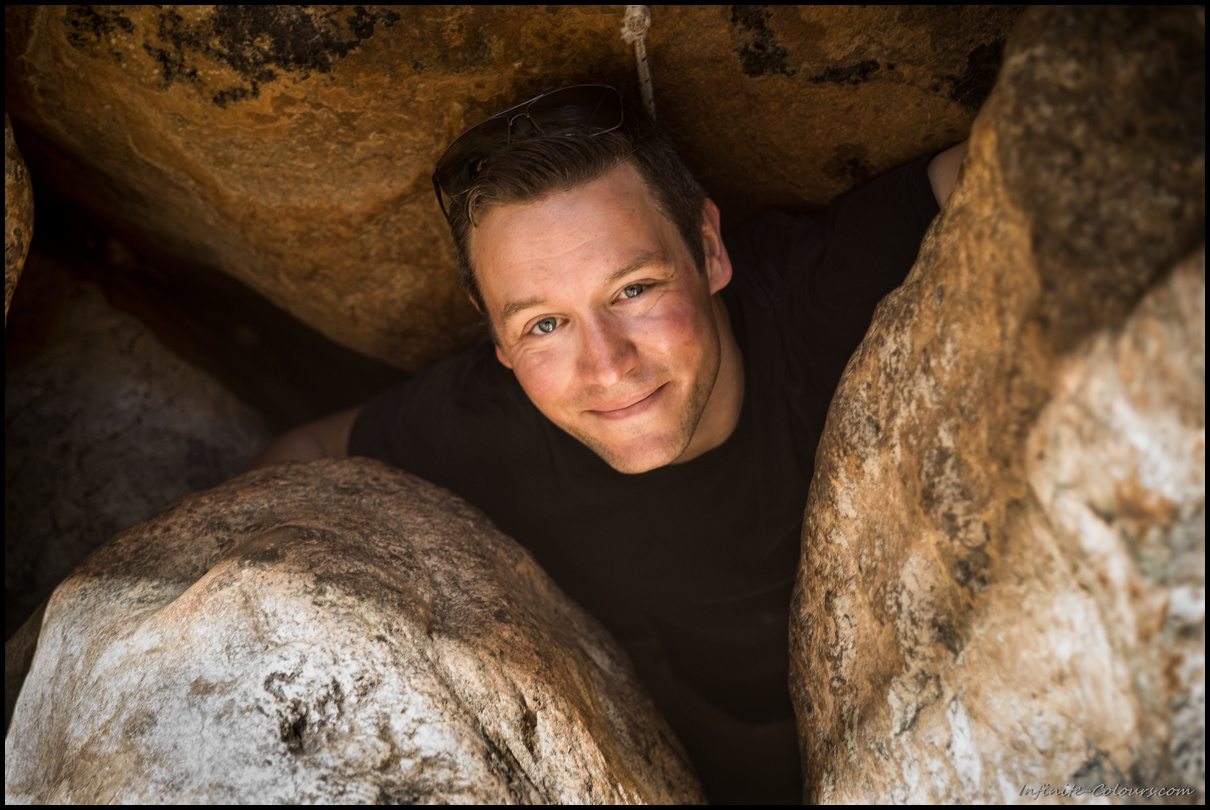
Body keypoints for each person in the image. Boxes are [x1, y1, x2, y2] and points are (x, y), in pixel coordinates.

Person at [253, 85, 967, 803]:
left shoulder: (818, 296)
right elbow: (305, 452)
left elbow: (1009, 155)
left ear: (710, 250)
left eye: (633, 290)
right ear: (496, 338)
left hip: (943, 675)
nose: (608, 367)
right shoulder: (491, 428)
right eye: (544, 325)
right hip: (710, 730)